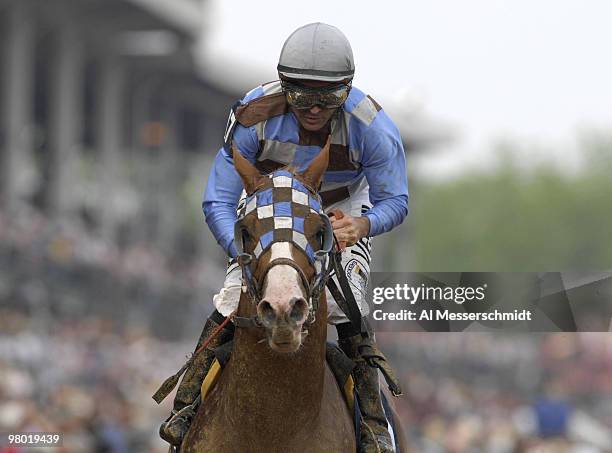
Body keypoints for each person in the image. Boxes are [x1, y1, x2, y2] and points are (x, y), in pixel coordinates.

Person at [159, 22, 409, 453]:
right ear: (283, 85)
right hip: (270, 208)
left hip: (337, 210)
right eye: (301, 95)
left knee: (346, 305)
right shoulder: (253, 113)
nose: (313, 109)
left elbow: (396, 199)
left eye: (327, 97)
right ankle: (185, 410)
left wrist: (363, 226)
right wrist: (242, 250)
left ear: (346, 89)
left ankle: (372, 427)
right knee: (230, 296)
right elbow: (217, 199)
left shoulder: (372, 125)